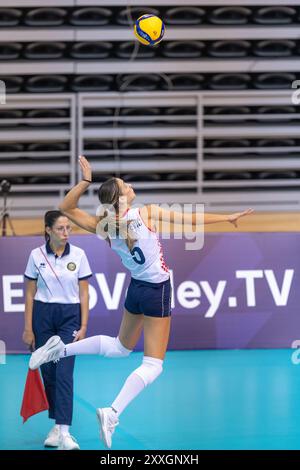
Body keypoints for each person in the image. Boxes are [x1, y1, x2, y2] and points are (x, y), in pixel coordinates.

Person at [29, 156, 253, 449]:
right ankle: (112, 412)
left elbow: (66, 208)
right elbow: (190, 220)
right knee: (153, 365)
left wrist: (85, 180)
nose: (131, 185)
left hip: (135, 289)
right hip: (157, 290)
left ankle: (61, 348)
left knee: (121, 347)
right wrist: (227, 218)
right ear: (121, 198)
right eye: (126, 185)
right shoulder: (146, 213)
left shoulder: (104, 227)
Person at [23, 210, 92, 450]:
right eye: (61, 229)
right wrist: (28, 328)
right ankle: (55, 425)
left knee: (64, 372)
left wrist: (83, 325)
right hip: (43, 316)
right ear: (48, 230)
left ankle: (65, 433)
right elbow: (30, 293)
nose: (66, 233)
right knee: (49, 375)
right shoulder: (36, 255)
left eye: (68, 228)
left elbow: (84, 292)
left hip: (69, 317)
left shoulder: (80, 255)